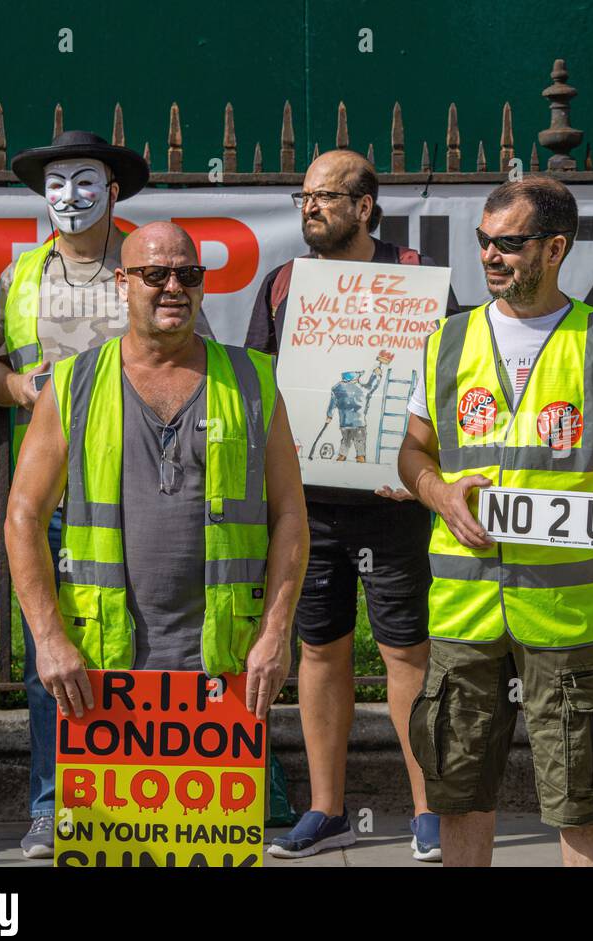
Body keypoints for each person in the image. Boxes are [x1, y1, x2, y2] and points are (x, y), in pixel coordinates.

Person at [399, 175, 593, 867]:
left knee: (581, 798)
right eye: (483, 242)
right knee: (458, 794)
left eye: (508, 244)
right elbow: (412, 453)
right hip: (465, 609)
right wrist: (437, 492)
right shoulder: (446, 342)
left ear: (555, 249)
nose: (490, 256)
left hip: (569, 615)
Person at [5, 222, 306, 737]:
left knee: (213, 819)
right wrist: (49, 638)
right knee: (109, 818)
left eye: (188, 274)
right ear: (123, 284)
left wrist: (276, 631)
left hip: (225, 664)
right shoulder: (72, 384)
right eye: (155, 274)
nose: (174, 287)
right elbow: (23, 518)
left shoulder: (253, 381)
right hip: (103, 668)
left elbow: (290, 516)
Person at [0, 129, 170, 859]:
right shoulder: (19, 274)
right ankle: (51, 806)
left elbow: (194, 352)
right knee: (47, 658)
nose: (69, 197)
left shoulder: (149, 265)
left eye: (84, 181)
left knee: (146, 649)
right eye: (56, 184)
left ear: (112, 190)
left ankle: (139, 802)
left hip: (145, 490)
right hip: (51, 498)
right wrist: (18, 386)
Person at [250, 149, 447, 861]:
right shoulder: (281, 284)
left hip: (395, 501)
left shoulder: (419, 277)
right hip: (308, 506)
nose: (310, 208)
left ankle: (430, 812)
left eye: (325, 197)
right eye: (303, 196)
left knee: (407, 651)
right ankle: (328, 809)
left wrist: (423, 466)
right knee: (318, 650)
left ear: (365, 206)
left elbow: (448, 389)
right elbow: (262, 395)